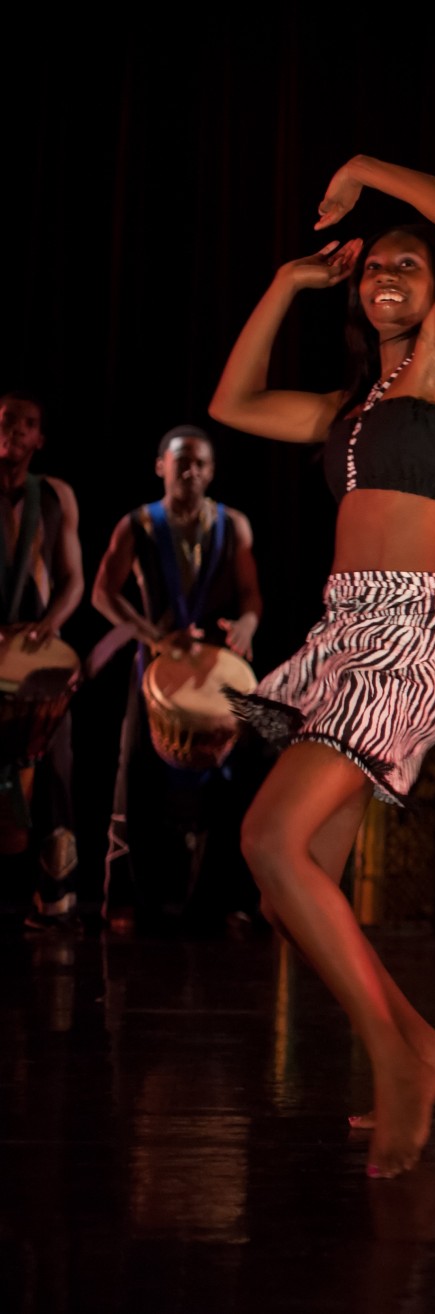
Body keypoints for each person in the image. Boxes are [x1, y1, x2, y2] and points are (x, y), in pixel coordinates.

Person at [208, 154, 435, 1177]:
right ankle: (418, 1041)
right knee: (295, 884)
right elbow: (232, 401)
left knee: (270, 841)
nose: (387, 279)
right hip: (339, 634)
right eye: (374, 267)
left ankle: (396, 1062)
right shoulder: (347, 410)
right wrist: (290, 282)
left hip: (403, 632)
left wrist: (362, 170)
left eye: (408, 267)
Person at [93, 425, 264, 931]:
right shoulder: (139, 525)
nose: (191, 471)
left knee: (235, 779)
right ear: (160, 465)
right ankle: (135, 901)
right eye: (182, 461)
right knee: (137, 775)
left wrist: (250, 623)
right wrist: (154, 635)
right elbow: (104, 593)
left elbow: (252, 596)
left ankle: (222, 901)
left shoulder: (234, 525)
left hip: (214, 670)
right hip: (156, 666)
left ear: (212, 472)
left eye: (201, 464)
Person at [0, 391, 86, 931]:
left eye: (27, 424)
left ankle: (53, 902)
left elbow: (73, 576)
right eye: (6, 420)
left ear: (40, 439)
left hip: (35, 659)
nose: (14, 429)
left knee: (55, 773)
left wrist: (51, 621)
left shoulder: (55, 495)